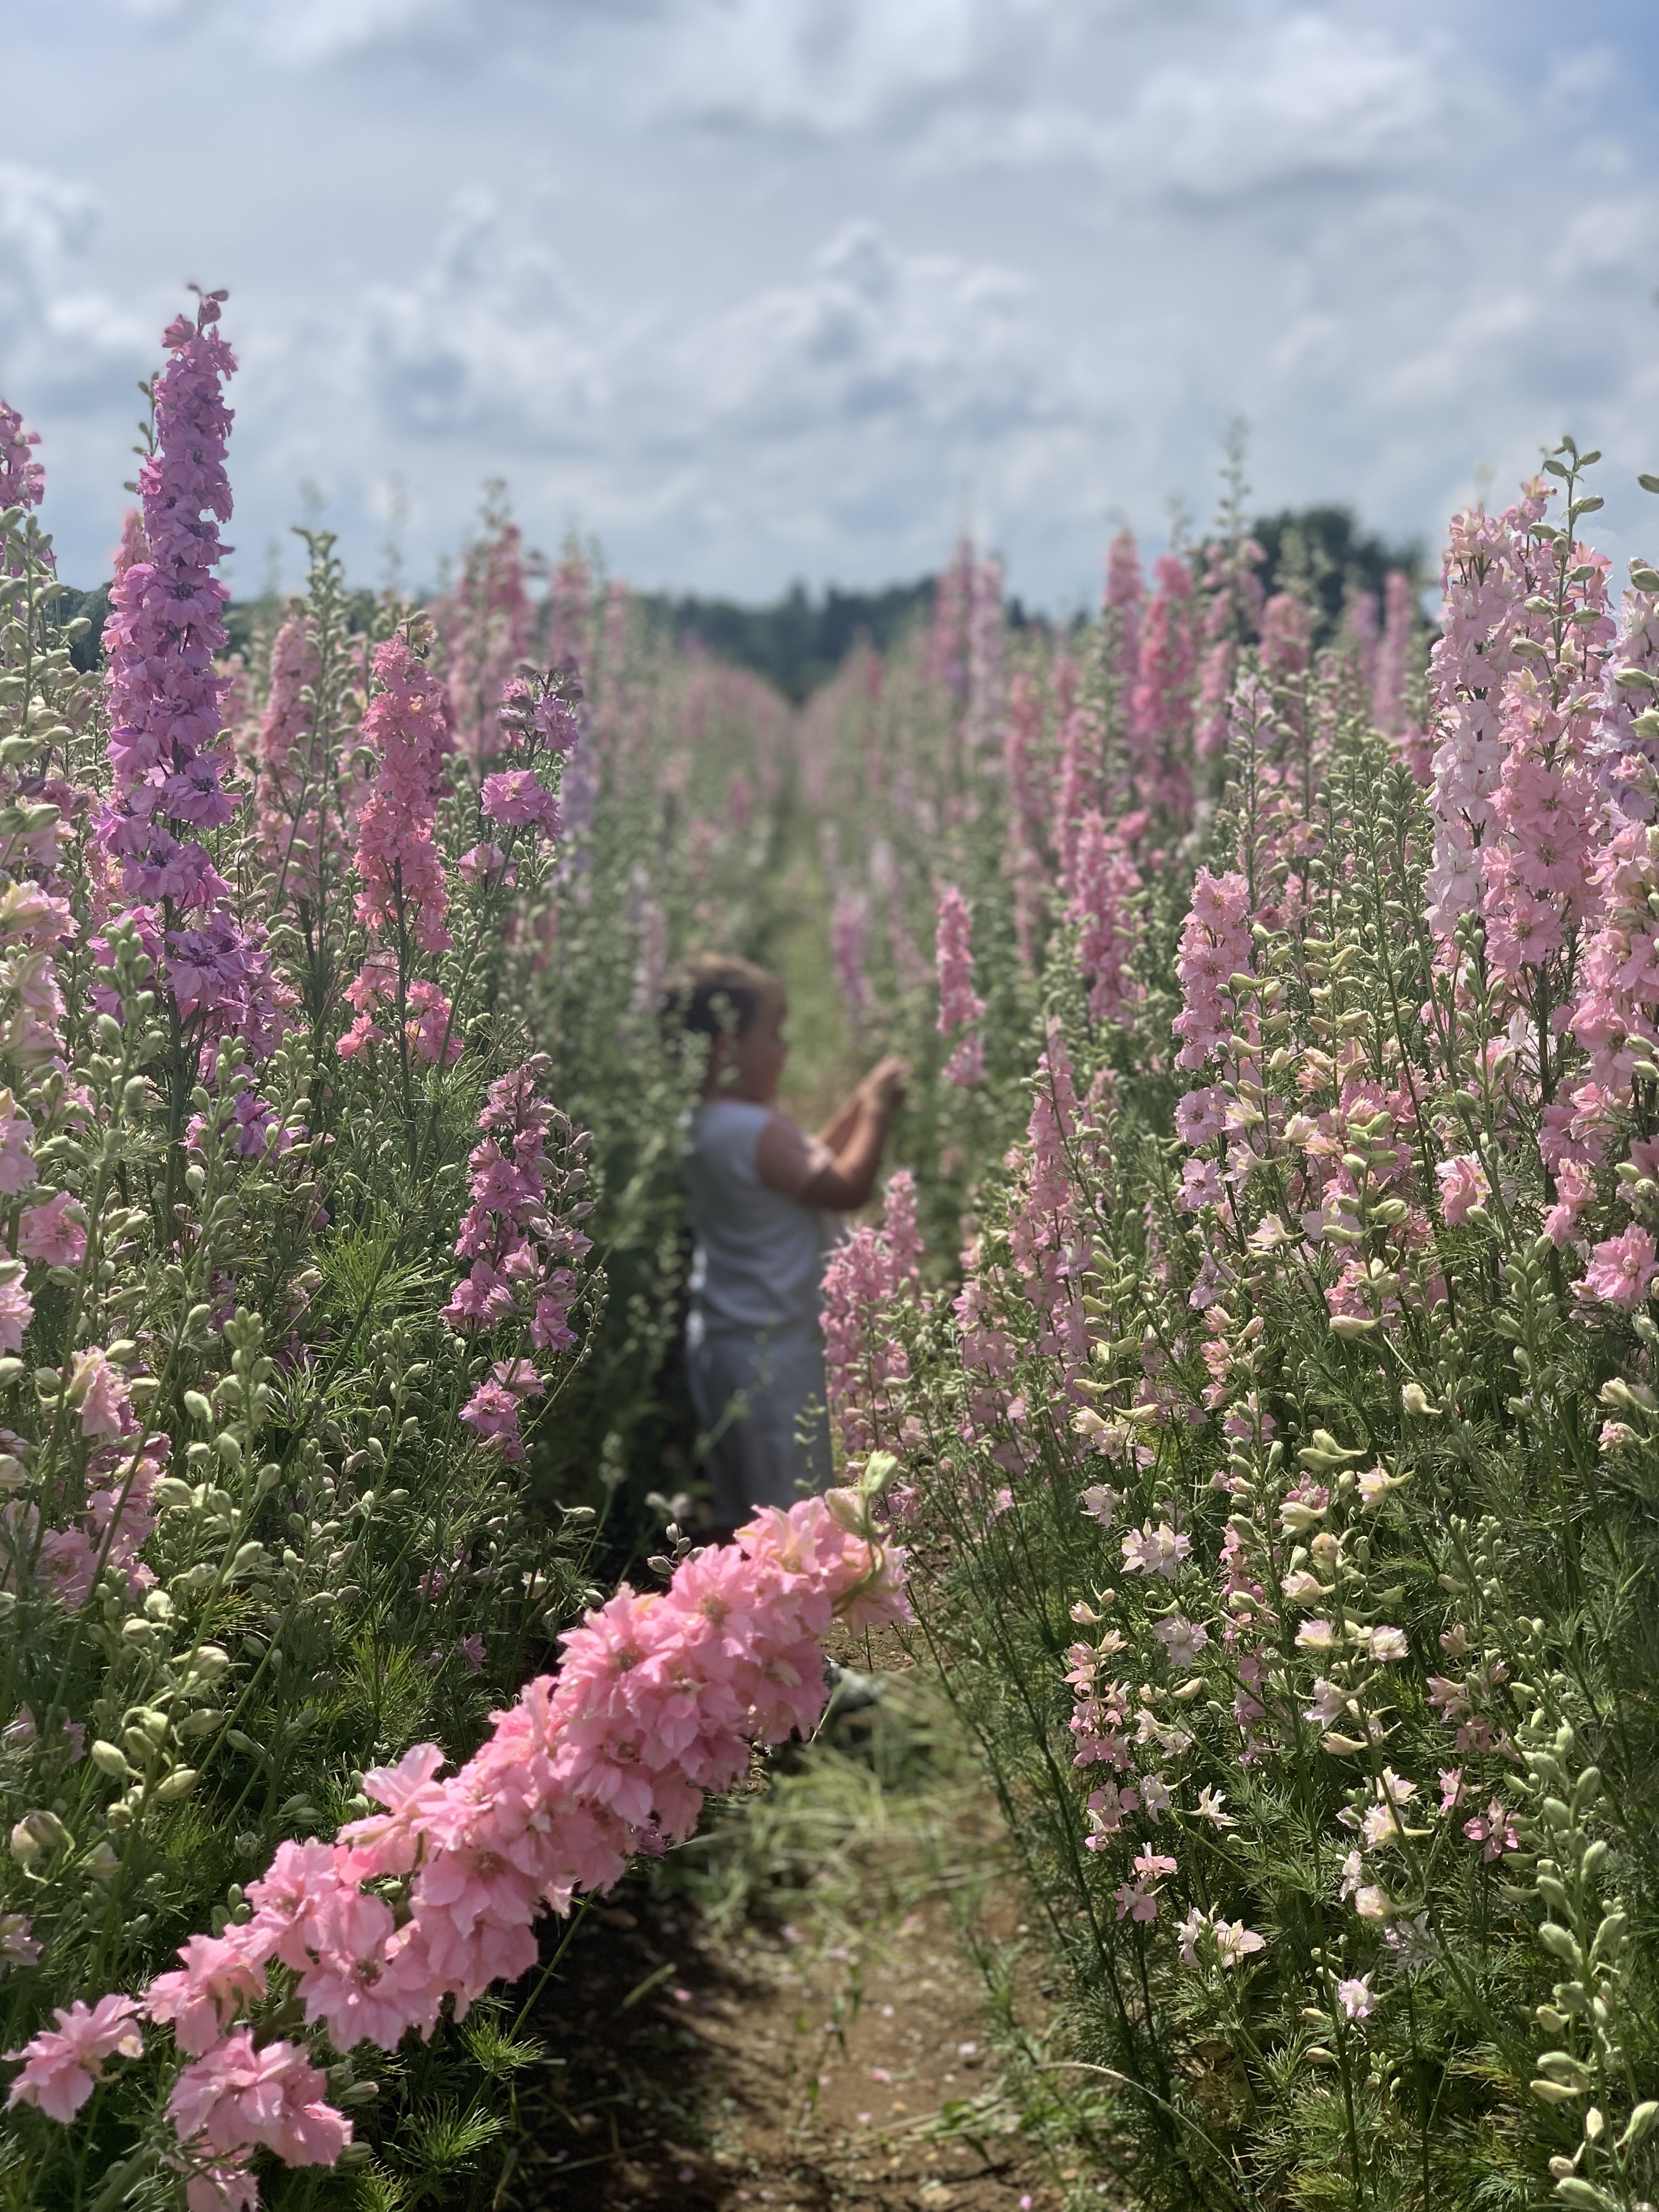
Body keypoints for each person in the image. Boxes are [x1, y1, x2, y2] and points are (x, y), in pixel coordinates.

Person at [671, 953, 906, 1536]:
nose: (785, 1050)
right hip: (775, 1354)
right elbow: (844, 1186)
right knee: (792, 1514)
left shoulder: (708, 1125)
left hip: (724, 1342)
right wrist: (877, 1112)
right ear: (728, 1046)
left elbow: (805, 1172)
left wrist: (855, 1101)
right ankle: (791, 1611)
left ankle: (738, 1586)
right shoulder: (755, 1130)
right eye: (773, 1034)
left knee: (742, 1505)